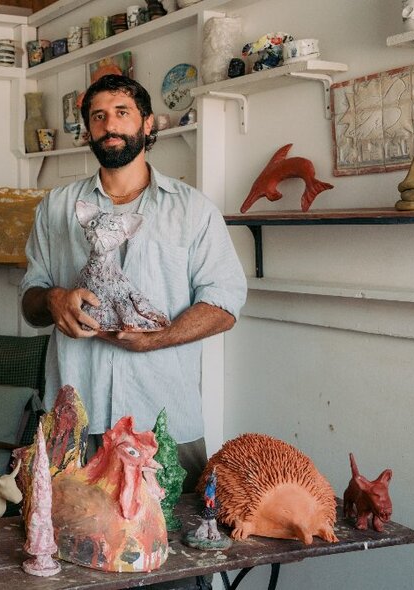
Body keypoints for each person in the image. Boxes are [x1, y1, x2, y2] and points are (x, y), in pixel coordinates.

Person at [21, 74, 247, 492]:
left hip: (163, 425)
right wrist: (53, 299)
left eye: (122, 113)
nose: (110, 125)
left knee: (177, 548)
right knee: (66, 548)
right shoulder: (56, 208)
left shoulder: (193, 210)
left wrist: (155, 339)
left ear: (147, 124)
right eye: (98, 116)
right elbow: (30, 299)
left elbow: (224, 304)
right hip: (75, 425)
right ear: (88, 129)